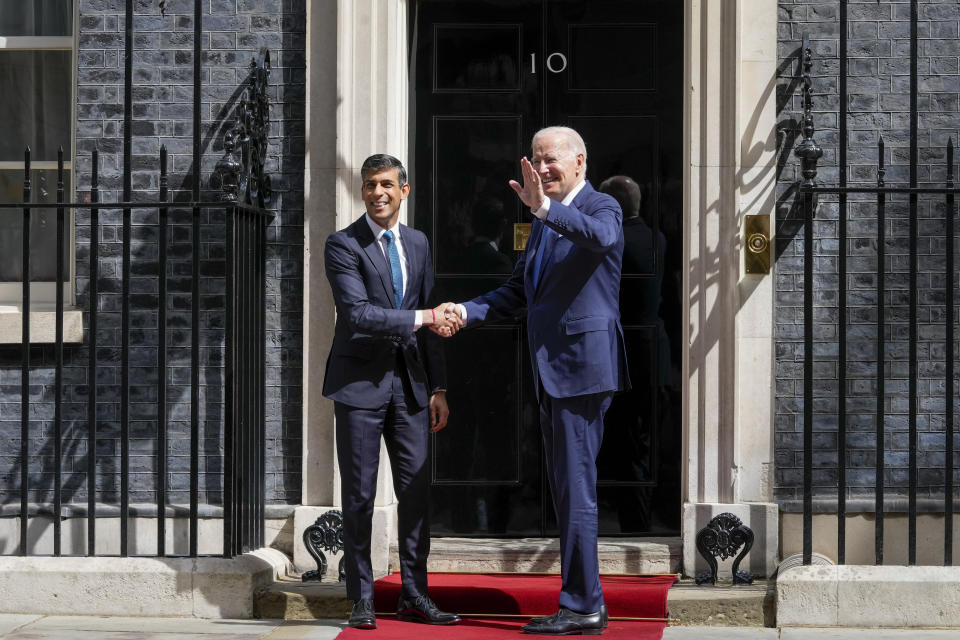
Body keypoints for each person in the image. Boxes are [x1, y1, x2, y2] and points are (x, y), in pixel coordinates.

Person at [444, 127, 629, 636]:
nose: (542, 169)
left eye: (550, 160)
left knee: (577, 491)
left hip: (582, 372)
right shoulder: (542, 223)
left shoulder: (600, 206)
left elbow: (604, 239)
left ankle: (583, 605)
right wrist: (465, 310)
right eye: (535, 160)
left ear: (579, 162)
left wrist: (545, 210)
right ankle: (582, 601)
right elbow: (517, 290)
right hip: (553, 373)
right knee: (569, 491)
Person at [322, 154, 463, 630]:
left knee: (416, 493)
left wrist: (437, 386)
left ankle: (414, 593)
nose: (376, 193)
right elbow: (358, 314)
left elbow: (428, 319)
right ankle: (361, 595)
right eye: (368, 185)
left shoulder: (418, 243)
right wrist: (426, 316)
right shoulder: (343, 245)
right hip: (359, 386)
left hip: (411, 388)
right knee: (359, 495)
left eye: (385, 184)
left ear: (405, 190)